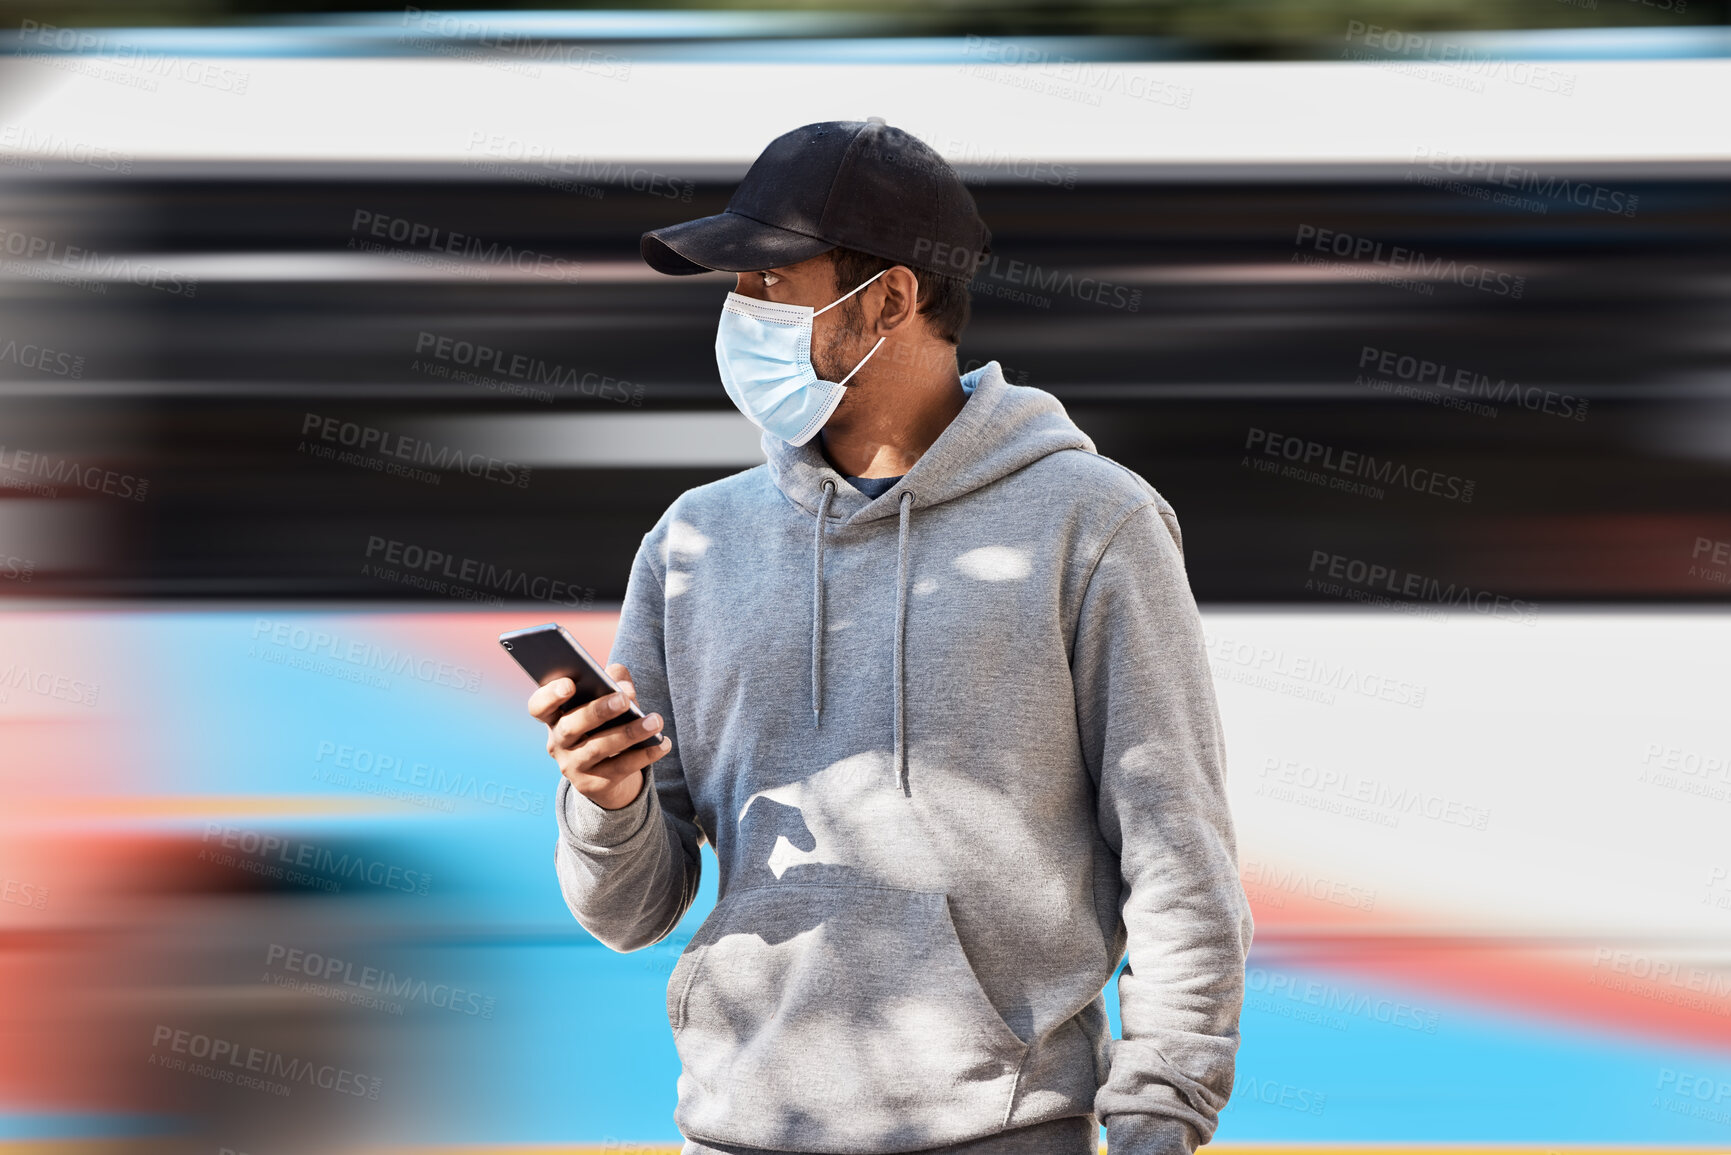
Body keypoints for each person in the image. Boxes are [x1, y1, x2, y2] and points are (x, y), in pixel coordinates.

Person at [528, 119, 1253, 1155]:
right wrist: (607, 800)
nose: (742, 313)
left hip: (999, 1132)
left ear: (891, 299)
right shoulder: (696, 541)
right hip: (736, 1131)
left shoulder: (1093, 524)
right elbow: (630, 913)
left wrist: (1156, 1123)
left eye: (770, 281)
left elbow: (1177, 856)